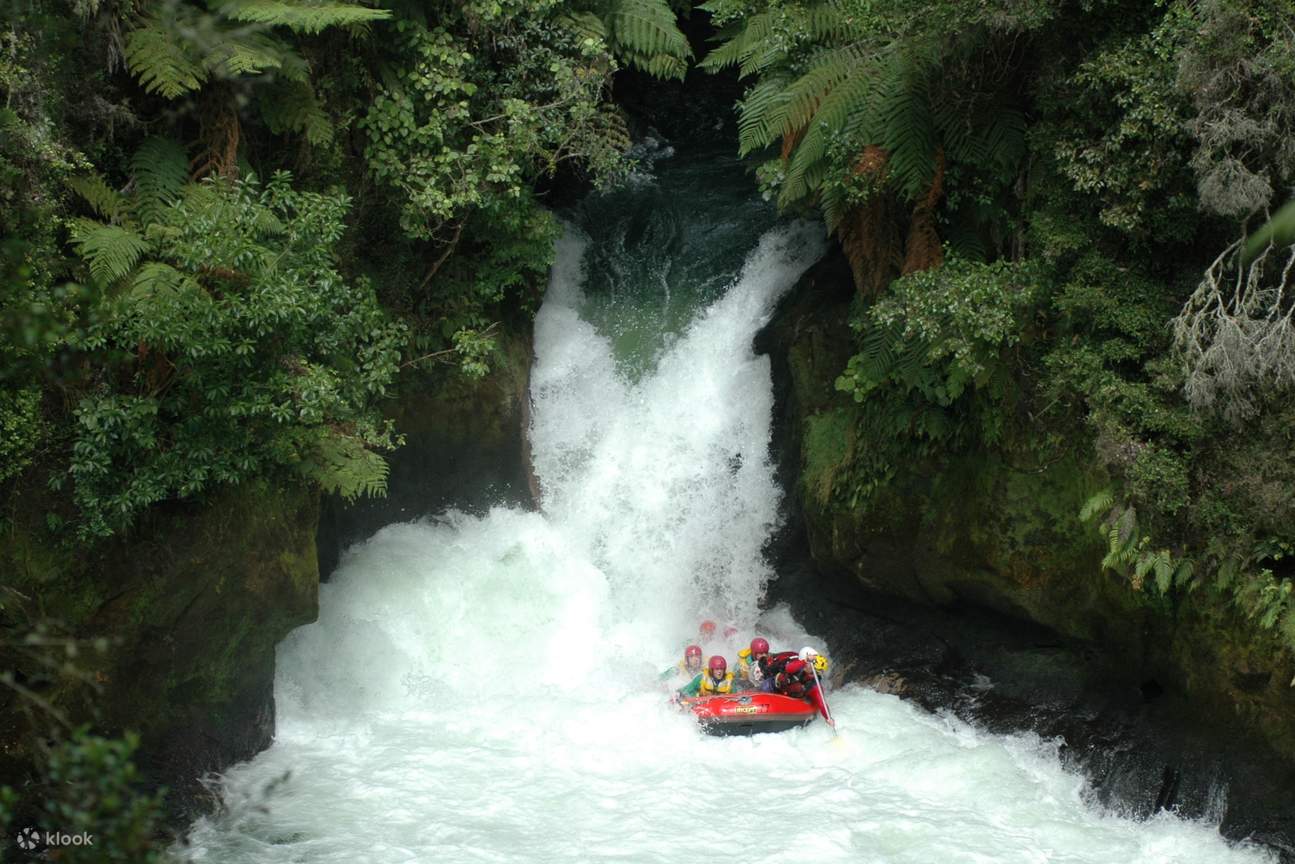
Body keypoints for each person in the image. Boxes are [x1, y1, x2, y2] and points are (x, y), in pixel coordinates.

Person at [759, 646, 833, 725]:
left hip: (790, 698)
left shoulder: (813, 683)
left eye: (818, 671)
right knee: (767, 685)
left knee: (798, 687)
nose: (816, 673)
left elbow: (821, 702)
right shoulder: (797, 665)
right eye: (815, 670)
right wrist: (805, 661)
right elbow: (789, 668)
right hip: (775, 686)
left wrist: (828, 718)